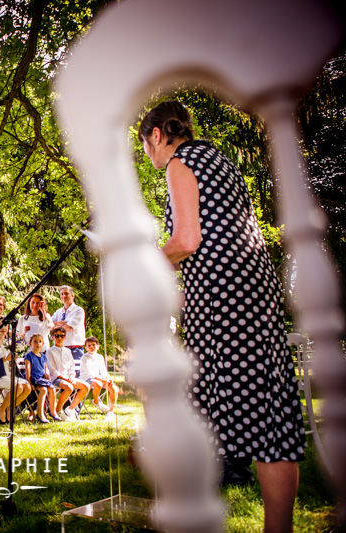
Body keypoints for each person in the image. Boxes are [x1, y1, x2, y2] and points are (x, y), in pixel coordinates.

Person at [140, 100, 304, 532]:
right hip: (255, 297)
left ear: (156, 136)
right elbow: (216, 243)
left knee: (188, 415)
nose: (150, 158)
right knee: (272, 426)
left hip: (224, 310)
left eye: (146, 148)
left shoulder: (179, 162)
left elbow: (187, 239)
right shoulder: (220, 160)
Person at [0, 317, 32, 424]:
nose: (3, 327)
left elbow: (10, 362)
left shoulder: (9, 343)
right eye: (0, 325)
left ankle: (8, 407)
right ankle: (1, 409)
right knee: (18, 387)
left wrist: (14, 358)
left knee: (27, 388)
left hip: (8, 374)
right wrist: (5, 359)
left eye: (5, 325)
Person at [46, 326, 87, 420]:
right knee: (69, 387)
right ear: (52, 337)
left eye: (62, 336)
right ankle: (57, 411)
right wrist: (65, 378)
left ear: (65, 337)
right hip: (56, 378)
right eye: (57, 336)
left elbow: (72, 366)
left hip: (68, 378)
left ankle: (70, 409)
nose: (59, 338)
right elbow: (51, 369)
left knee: (85, 386)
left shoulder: (68, 351)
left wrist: (72, 375)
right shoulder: (49, 351)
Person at [77, 336, 117, 419]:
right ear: (86, 348)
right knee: (98, 383)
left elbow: (103, 371)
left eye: (93, 345)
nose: (91, 347)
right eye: (89, 345)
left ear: (98, 347)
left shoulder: (100, 357)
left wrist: (108, 378)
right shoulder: (84, 358)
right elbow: (89, 373)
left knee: (114, 388)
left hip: (99, 378)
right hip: (87, 379)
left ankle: (111, 411)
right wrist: (101, 379)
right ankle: (96, 401)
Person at [24, 333, 60, 423]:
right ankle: (40, 414)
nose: (37, 344)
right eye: (35, 342)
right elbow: (28, 370)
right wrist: (29, 383)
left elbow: (46, 370)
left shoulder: (43, 356)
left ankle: (52, 411)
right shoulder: (29, 356)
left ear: (43, 344)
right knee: (43, 390)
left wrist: (49, 380)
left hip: (41, 379)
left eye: (40, 342)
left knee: (52, 388)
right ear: (30, 343)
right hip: (33, 379)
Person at [51, 285, 86, 360]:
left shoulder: (78, 310)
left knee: (76, 371)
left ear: (73, 295)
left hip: (75, 350)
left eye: (66, 293)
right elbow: (50, 325)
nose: (64, 296)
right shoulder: (58, 312)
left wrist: (57, 324)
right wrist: (64, 323)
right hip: (60, 349)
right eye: (62, 294)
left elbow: (69, 327)